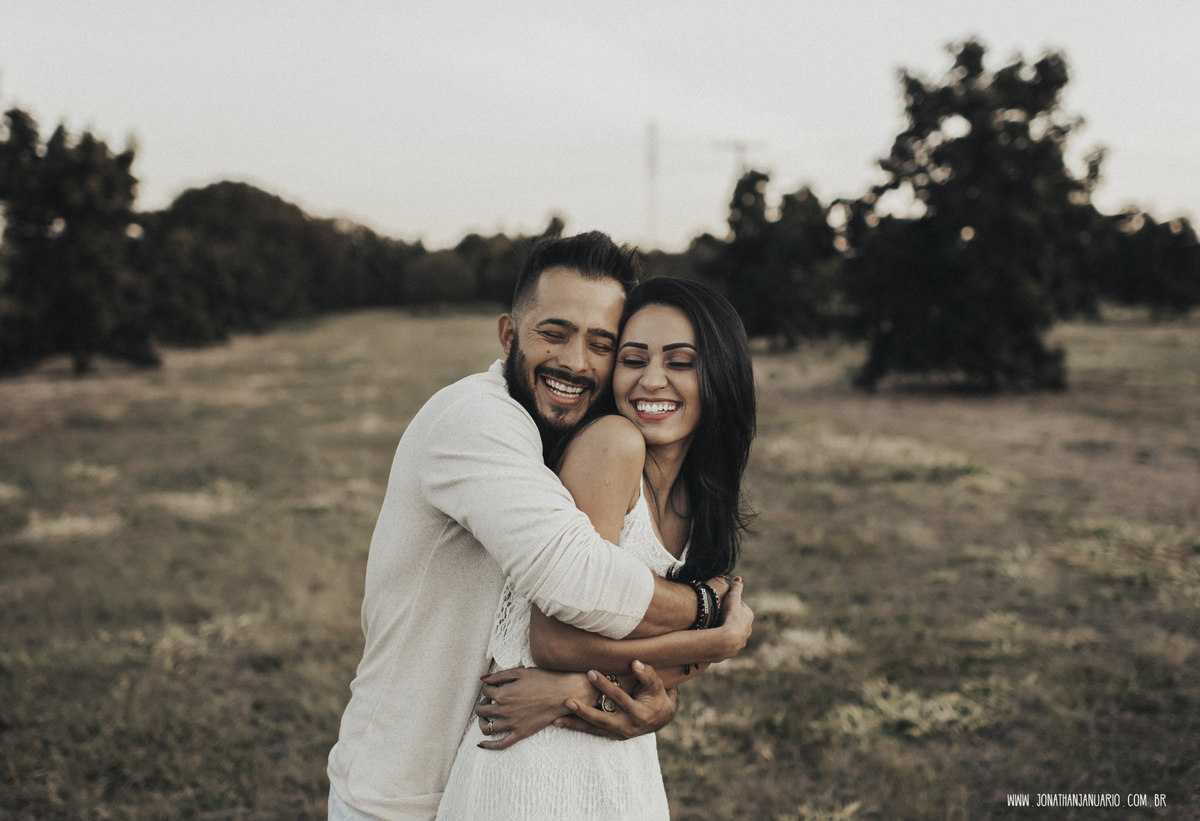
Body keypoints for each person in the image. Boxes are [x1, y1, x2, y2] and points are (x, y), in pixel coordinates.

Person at [326, 233, 750, 820]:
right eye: (555, 333)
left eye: (601, 344)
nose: (576, 362)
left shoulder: (584, 435)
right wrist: (713, 622)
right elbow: (575, 583)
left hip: (499, 768)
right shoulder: (477, 419)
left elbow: (602, 640)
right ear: (508, 335)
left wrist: (627, 695)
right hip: (402, 792)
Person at [436, 277, 757, 819]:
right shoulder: (614, 443)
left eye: (680, 362)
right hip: (531, 766)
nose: (652, 380)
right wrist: (714, 644)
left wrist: (597, 692)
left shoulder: (700, 495)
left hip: (616, 751)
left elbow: (642, 658)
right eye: (634, 359)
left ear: (720, 373)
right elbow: (556, 641)